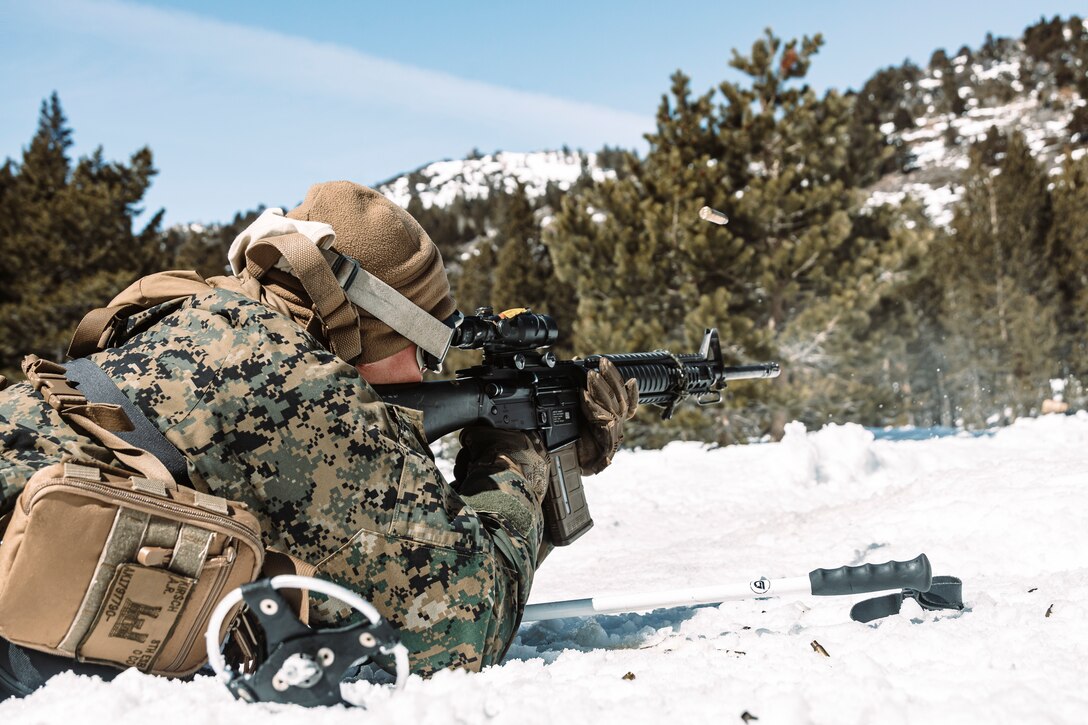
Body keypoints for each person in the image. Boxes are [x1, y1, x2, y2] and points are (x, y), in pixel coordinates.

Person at [0, 181, 637, 694]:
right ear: (373, 325)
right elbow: (467, 624)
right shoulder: (304, 391)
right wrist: (522, 444)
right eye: (423, 347)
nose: (423, 372)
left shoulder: (190, 312)